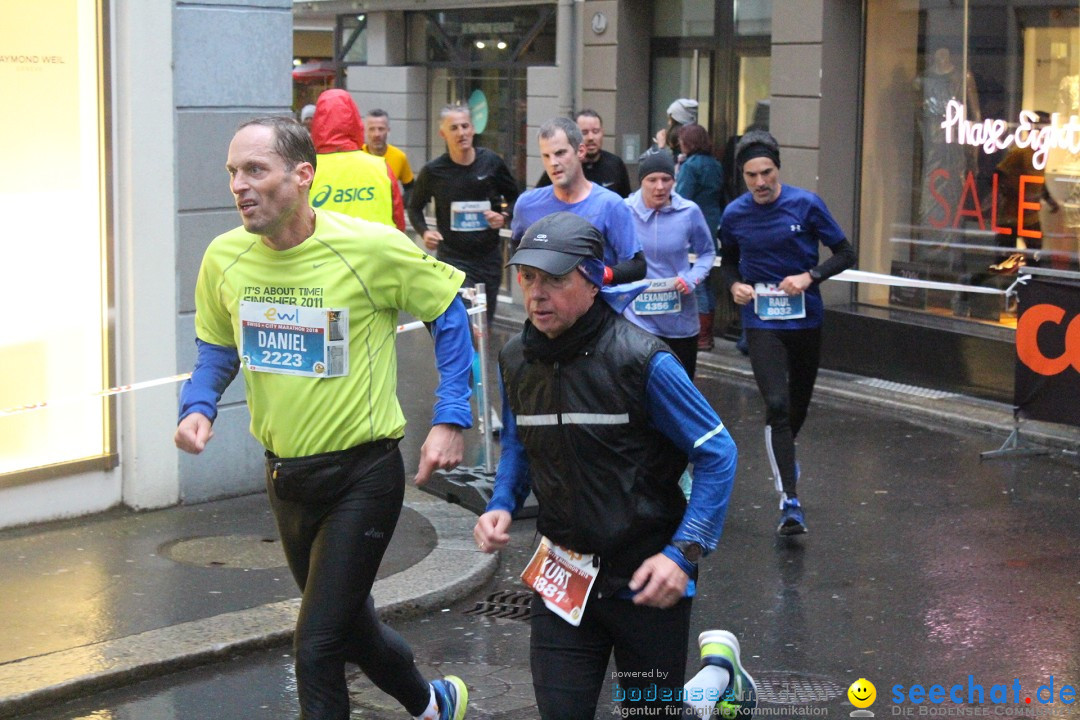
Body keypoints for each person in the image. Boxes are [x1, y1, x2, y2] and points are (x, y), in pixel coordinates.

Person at [175, 116, 472, 720]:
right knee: (351, 630)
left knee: (315, 647)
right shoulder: (224, 258)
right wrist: (199, 405)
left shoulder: (369, 247)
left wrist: (451, 415)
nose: (239, 185)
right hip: (286, 479)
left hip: (363, 475)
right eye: (233, 172)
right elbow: (217, 347)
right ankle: (434, 704)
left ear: (303, 174)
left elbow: (448, 311)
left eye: (255, 170)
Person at [473, 211, 755, 720]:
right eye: (527, 276)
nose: (537, 293)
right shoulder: (516, 358)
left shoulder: (642, 360)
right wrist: (502, 503)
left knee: (653, 714)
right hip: (563, 572)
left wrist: (682, 554)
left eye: (555, 279)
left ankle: (715, 680)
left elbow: (718, 452)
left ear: (593, 278)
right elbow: (519, 444)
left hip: (644, 576)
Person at [718, 129, 855, 536]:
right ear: (743, 177)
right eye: (751, 175)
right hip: (762, 323)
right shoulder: (734, 215)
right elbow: (726, 264)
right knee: (776, 404)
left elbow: (847, 253)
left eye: (767, 173)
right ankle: (790, 502)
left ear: (778, 170)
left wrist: (810, 276)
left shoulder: (806, 205)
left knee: (796, 410)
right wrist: (733, 286)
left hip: (806, 321)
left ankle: (784, 450)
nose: (761, 183)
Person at [408, 104, 520, 325]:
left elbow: (516, 198)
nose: (461, 132)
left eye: (465, 126)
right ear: (443, 134)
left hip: (489, 258)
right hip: (453, 260)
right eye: (454, 128)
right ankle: (469, 359)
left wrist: (504, 217)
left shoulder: (491, 162)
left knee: (484, 322)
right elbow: (414, 207)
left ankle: (480, 360)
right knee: (466, 321)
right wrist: (425, 232)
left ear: (472, 129)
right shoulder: (434, 171)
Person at [511, 116, 646, 285]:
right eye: (546, 156)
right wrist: (525, 277)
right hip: (544, 307)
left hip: (597, 307)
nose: (553, 163)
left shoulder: (610, 205)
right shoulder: (526, 205)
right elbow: (516, 245)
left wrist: (599, 275)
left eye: (560, 153)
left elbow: (638, 266)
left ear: (580, 151)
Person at [624, 151, 715, 379]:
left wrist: (692, 279)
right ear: (641, 181)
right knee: (640, 393)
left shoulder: (689, 211)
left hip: (679, 318)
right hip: (638, 318)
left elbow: (707, 253)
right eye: (652, 180)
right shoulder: (624, 210)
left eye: (666, 179)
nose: (660, 187)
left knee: (680, 392)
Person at [309, 89, 406, 232]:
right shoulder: (380, 167)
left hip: (325, 252)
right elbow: (399, 221)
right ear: (355, 122)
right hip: (377, 252)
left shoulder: (306, 172)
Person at [674, 123, 726, 351]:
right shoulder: (715, 164)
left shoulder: (690, 166)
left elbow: (681, 197)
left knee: (698, 282)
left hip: (694, 226)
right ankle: (708, 333)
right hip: (714, 222)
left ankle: (703, 336)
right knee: (707, 277)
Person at [533, 109, 631, 198]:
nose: (591, 137)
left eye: (595, 131)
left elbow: (626, 202)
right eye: (584, 132)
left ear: (602, 132)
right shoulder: (562, 167)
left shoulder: (615, 164)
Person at [363, 108, 415, 200]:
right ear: (365, 131)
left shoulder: (399, 157)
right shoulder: (356, 154)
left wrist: (399, 205)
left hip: (388, 213)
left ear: (388, 131)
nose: (376, 134)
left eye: (381, 129)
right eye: (371, 129)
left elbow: (411, 188)